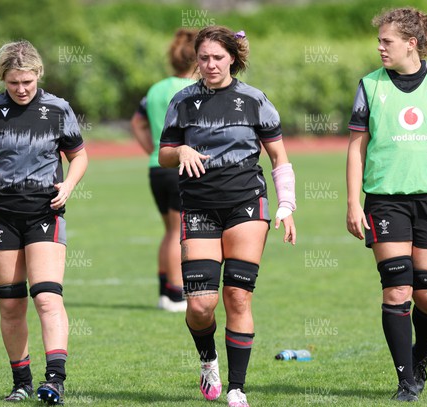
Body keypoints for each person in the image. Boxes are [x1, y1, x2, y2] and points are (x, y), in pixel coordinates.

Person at [159, 26, 297, 407]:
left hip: (246, 204)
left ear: (233, 58)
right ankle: (208, 360)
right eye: (203, 58)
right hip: (199, 206)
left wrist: (286, 206)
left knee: (237, 295)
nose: (210, 64)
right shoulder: (183, 101)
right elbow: (164, 154)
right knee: (201, 305)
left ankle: (237, 386)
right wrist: (181, 151)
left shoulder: (254, 100)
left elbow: (279, 158)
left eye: (218, 57)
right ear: (196, 60)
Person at [346, 7, 427, 402]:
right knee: (397, 291)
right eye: (379, 41)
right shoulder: (370, 86)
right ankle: (406, 382)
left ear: (411, 44)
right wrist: (353, 202)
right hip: (385, 202)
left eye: (388, 41)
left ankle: (421, 354)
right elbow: (356, 150)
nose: (380, 48)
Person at [0, 40, 88, 405]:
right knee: (11, 304)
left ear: (38, 75)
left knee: (47, 296)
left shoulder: (58, 109)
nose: (21, 89)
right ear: (4, 79)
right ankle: (21, 382)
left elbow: (78, 156)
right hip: (0, 214)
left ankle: (55, 381)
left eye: (27, 81)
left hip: (44, 212)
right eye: (14, 82)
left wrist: (70, 184)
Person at [130, 28, 198, 312]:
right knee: (180, 232)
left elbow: (137, 122)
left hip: (158, 167)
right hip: (180, 166)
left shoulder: (156, 88)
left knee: (170, 230)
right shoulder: (192, 89)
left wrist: (152, 151)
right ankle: (175, 294)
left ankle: (163, 292)